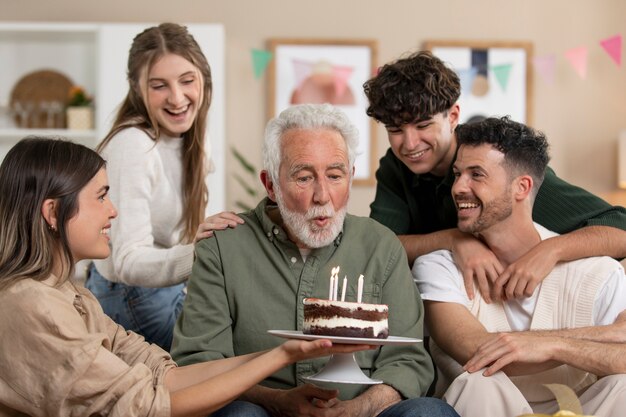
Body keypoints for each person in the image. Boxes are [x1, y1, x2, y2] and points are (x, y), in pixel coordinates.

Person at [0, 136, 375, 417]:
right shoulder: (32, 306)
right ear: (53, 213)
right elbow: (150, 406)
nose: (113, 211)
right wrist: (282, 355)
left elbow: (165, 376)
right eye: (100, 197)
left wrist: (285, 351)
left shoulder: (71, 296)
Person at [171, 104, 459, 417]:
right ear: (271, 184)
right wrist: (276, 401)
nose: (322, 195)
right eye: (304, 178)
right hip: (261, 410)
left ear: (349, 176)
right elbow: (201, 363)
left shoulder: (381, 246)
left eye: (335, 176)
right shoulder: (223, 247)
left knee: (429, 413)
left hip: (364, 414)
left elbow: (408, 361)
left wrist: (356, 409)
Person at [364, 51, 626, 303]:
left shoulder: (499, 158)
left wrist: (552, 250)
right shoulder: (395, 166)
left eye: (423, 126)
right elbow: (380, 246)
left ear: (453, 116)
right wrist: (455, 239)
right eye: (395, 129)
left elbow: (621, 227)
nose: (409, 144)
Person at [412, 117, 626, 416]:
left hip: (582, 410)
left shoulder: (599, 272)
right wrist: (607, 335)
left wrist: (553, 346)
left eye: (477, 175)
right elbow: (477, 350)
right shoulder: (439, 267)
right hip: (490, 406)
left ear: (521, 187)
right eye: (458, 174)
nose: (458, 187)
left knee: (623, 387)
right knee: (477, 381)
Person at [85, 23, 243, 350]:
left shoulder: (192, 139)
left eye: (187, 81)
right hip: (130, 295)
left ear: (203, 78)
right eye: (159, 85)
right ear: (137, 88)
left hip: (166, 289)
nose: (177, 97)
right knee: (230, 357)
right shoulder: (133, 146)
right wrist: (202, 253)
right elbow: (127, 260)